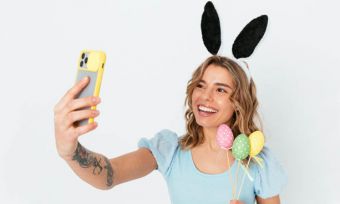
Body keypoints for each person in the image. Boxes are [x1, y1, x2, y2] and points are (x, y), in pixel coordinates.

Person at [54, 55, 286, 204]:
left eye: (221, 90)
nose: (205, 96)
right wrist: (70, 151)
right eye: (201, 85)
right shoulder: (171, 150)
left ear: (239, 102)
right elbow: (109, 175)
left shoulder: (257, 164)